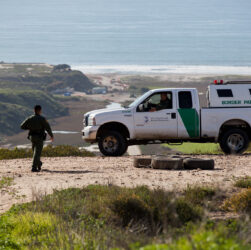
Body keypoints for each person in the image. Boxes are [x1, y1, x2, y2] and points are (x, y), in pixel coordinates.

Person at [20, 105, 54, 172]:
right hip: (39, 137)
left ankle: (39, 164)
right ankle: (34, 167)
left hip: (32, 137)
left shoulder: (30, 118)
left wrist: (29, 128)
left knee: (35, 151)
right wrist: (51, 136)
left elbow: (22, 126)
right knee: (37, 152)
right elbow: (48, 128)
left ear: (34, 110)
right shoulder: (42, 119)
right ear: (40, 110)